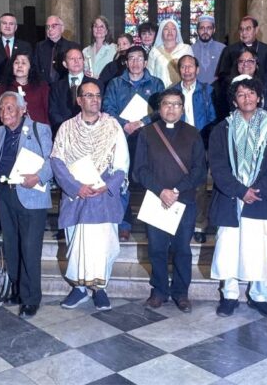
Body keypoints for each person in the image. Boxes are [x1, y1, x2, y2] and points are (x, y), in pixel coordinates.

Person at [0, 92, 53, 319]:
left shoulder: (39, 129)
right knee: (12, 247)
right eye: (2, 108)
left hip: (31, 196)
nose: (5, 113)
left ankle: (31, 298)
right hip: (4, 195)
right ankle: (16, 289)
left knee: (30, 248)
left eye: (10, 108)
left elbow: (52, 160)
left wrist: (39, 177)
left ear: (22, 109)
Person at [208, 76, 267, 319]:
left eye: (251, 93)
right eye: (241, 94)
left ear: (259, 97)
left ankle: (259, 296)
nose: (247, 98)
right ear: (234, 100)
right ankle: (229, 295)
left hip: (262, 199)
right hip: (231, 199)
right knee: (229, 248)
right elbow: (218, 165)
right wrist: (240, 191)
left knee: (260, 249)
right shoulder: (221, 129)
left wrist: (256, 190)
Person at [51, 81, 129, 311]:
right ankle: (79, 289)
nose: (95, 99)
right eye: (89, 95)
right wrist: (76, 187)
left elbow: (122, 163)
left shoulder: (112, 125)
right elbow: (57, 161)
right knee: (76, 243)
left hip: (103, 195)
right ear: (79, 100)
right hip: (77, 196)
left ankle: (100, 288)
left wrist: (106, 185)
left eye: (98, 95)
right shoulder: (66, 128)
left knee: (104, 244)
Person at [133, 89, 206, 312]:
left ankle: (181, 293)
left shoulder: (193, 133)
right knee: (157, 248)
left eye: (176, 104)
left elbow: (199, 170)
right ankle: (159, 291)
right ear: (159, 107)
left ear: (182, 109)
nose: (171, 108)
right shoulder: (146, 133)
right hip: (156, 200)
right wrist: (161, 190)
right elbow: (139, 170)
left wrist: (175, 190)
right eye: (166, 103)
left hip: (184, 201)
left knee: (182, 249)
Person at [103, 46, 164, 241]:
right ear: (126, 62)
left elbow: (161, 110)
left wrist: (141, 122)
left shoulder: (156, 83)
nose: (135, 62)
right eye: (131, 59)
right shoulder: (115, 83)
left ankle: (154, 225)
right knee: (122, 181)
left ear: (146, 62)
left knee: (152, 181)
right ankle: (124, 224)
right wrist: (125, 125)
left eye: (139, 59)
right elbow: (107, 108)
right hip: (122, 138)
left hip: (150, 139)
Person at [168, 55, 216, 242]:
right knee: (175, 185)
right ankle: (176, 224)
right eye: (183, 67)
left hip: (200, 144)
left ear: (197, 69)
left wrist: (204, 139)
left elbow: (213, 117)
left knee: (199, 187)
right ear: (179, 70)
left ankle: (199, 225)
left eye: (190, 67)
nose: (187, 70)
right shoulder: (172, 92)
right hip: (176, 145)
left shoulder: (207, 91)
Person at [216, 47, 267, 123]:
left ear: (256, 64)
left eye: (250, 61)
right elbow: (222, 113)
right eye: (241, 61)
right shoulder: (227, 85)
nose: (245, 64)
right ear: (237, 65)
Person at [49, 48, 101, 132]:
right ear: (65, 64)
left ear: (84, 62)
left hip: (91, 131)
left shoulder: (96, 84)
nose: (76, 61)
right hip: (64, 131)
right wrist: (66, 128)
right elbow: (53, 112)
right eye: (72, 59)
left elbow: (100, 108)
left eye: (80, 58)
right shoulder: (56, 86)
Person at [216, 16, 267, 86]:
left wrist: (256, 86)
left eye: (248, 29)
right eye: (241, 29)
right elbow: (223, 75)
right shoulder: (229, 50)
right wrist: (238, 84)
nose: (244, 32)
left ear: (256, 30)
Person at [0, 50, 50, 125]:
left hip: (38, 132)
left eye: (23, 63)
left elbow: (48, 112)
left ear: (30, 66)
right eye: (16, 62)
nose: (19, 66)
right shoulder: (4, 88)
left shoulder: (42, 87)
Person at [0, 13, 34, 82]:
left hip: (18, 86)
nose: (7, 26)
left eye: (11, 24)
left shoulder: (25, 46)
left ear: (16, 27)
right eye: (4, 23)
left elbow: (29, 68)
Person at [33, 15, 80, 85]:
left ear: (62, 28)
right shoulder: (40, 47)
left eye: (53, 26)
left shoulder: (72, 47)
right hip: (44, 89)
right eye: (48, 27)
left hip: (65, 88)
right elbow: (35, 68)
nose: (50, 29)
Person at [147, 18, 194, 87]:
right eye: (166, 29)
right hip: (160, 91)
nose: (170, 31)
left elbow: (192, 70)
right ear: (161, 32)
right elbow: (150, 73)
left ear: (177, 32)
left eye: (173, 29)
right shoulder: (154, 51)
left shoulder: (186, 48)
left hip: (181, 90)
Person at [191, 15, 226, 85]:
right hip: (196, 91)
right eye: (202, 28)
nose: (205, 31)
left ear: (214, 30)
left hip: (217, 91)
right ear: (197, 30)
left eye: (209, 28)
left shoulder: (223, 48)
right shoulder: (190, 49)